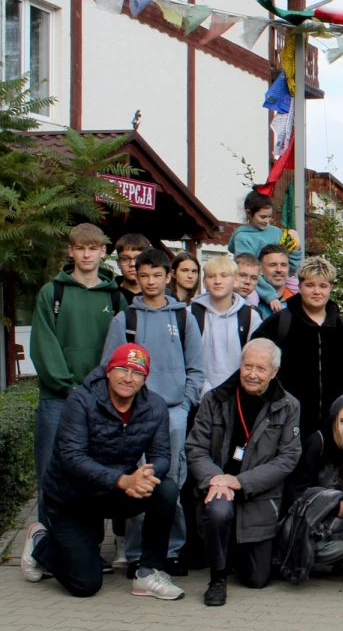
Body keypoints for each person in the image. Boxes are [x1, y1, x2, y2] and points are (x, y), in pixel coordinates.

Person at [20, 343, 184, 601]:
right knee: (85, 584)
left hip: (116, 492)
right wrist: (123, 480)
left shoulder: (155, 406)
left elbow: (162, 455)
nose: (128, 378)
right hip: (72, 497)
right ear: (108, 371)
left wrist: (146, 475)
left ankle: (149, 572)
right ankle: (41, 540)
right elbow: (72, 458)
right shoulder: (80, 400)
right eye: (121, 369)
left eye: (137, 373)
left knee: (166, 489)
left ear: (145, 378)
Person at [102, 248, 205, 573]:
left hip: (174, 413)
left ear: (168, 276)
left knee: (171, 484)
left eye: (156, 275)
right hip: (134, 415)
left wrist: (186, 403)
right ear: (136, 275)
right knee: (138, 484)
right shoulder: (125, 319)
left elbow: (196, 368)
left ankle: (171, 552)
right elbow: (109, 367)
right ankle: (135, 555)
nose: (150, 281)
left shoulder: (183, 317)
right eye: (144, 275)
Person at [185, 339, 302, 606]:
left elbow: (288, 458)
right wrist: (216, 479)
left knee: (257, 579)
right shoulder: (214, 399)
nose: (252, 374)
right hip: (218, 489)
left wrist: (239, 481)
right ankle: (217, 580)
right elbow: (195, 447)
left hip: (257, 498)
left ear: (274, 372)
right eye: (247, 366)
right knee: (218, 509)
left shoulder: (288, 406)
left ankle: (232, 552)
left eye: (260, 368)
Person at [31, 223, 127, 526]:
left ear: (102, 251)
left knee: (95, 474)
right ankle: (45, 545)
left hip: (101, 400)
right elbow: (44, 346)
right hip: (58, 399)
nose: (86, 254)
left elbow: (121, 350)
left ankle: (88, 549)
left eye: (92, 248)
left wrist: (104, 390)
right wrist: (68, 386)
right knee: (50, 471)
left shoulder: (115, 298)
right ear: (71, 251)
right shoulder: (52, 293)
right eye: (80, 248)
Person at [252, 256, 343, 440]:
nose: (317, 291)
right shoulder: (279, 324)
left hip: (333, 429)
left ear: (330, 288)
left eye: (323, 286)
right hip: (285, 426)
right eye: (310, 285)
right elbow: (256, 367)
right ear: (300, 286)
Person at [281, 393, 343, 582]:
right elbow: (296, 492)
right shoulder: (319, 443)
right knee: (339, 547)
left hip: (335, 523)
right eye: (342, 421)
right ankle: (298, 561)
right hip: (305, 521)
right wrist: (333, 507)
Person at [191, 256, 263, 396]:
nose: (218, 281)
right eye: (211, 276)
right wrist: (206, 392)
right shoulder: (190, 314)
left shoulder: (250, 317)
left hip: (238, 396)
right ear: (204, 282)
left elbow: (255, 360)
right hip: (199, 397)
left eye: (224, 276)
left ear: (236, 280)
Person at [228, 191, 303, 315]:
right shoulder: (243, 237)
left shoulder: (276, 232)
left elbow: (289, 267)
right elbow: (249, 271)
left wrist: (296, 249)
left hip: (273, 279)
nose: (267, 221)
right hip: (256, 282)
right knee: (251, 299)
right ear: (249, 214)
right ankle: (252, 322)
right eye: (262, 217)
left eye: (269, 217)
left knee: (300, 288)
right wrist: (270, 296)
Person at [257, 244, 296, 318]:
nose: (279, 270)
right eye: (273, 265)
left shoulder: (297, 301)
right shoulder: (251, 300)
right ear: (260, 270)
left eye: (283, 265)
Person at [113, 233, 151, 304]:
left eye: (139, 258)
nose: (132, 264)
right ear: (118, 263)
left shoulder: (163, 295)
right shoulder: (109, 295)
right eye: (125, 259)